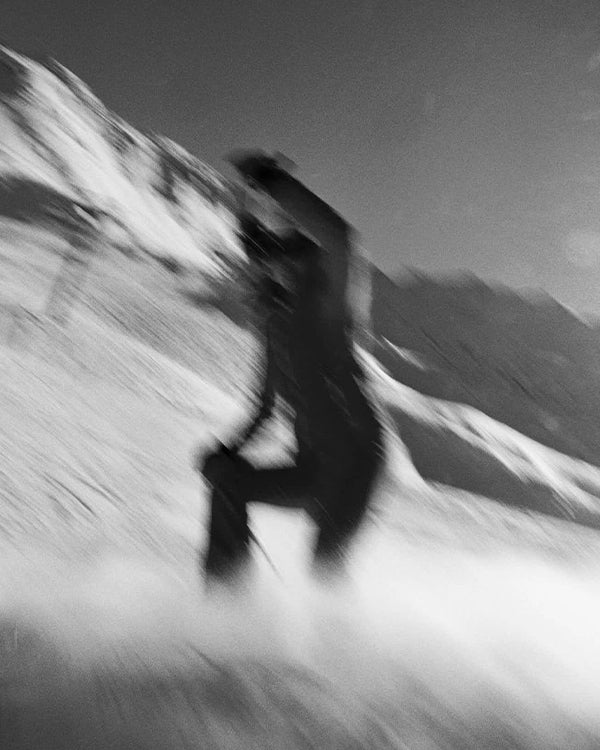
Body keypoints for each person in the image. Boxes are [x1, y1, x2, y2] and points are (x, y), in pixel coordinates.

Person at [197, 156, 384, 580]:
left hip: (355, 463)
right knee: (229, 485)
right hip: (312, 467)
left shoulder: (328, 310)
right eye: (260, 265)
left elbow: (342, 240)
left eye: (272, 260)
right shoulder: (274, 327)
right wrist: (228, 451)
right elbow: (263, 407)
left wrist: (274, 182)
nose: (262, 274)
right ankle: (225, 605)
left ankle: (336, 626)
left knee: (324, 567)